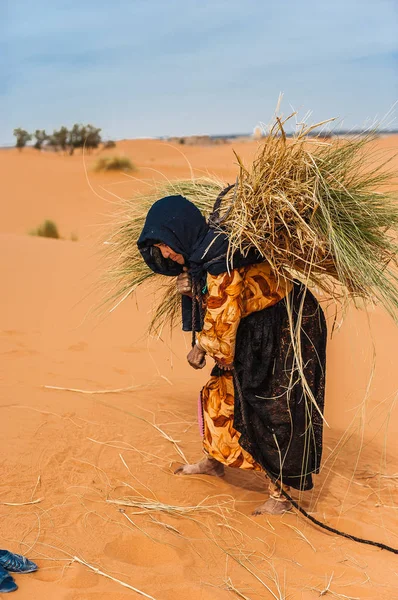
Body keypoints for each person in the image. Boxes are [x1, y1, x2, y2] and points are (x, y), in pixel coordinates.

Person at [138, 195, 327, 514]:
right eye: (160, 248)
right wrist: (190, 288)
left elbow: (223, 318)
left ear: (181, 232)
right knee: (220, 393)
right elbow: (215, 304)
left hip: (286, 322)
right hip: (253, 326)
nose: (166, 253)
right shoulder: (202, 255)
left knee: (272, 407)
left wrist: (202, 346)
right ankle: (216, 460)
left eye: (167, 244)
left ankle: (281, 496)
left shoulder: (218, 258)